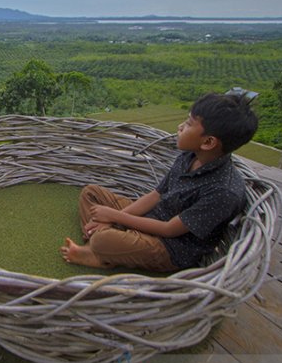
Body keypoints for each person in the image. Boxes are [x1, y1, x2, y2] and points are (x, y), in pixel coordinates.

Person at [59, 92, 259, 272]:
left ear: (208, 142)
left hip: (169, 247)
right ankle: (106, 238)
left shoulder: (223, 191)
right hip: (151, 217)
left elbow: (169, 230)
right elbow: (156, 195)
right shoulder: (189, 157)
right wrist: (114, 217)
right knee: (91, 193)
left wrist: (114, 216)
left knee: (104, 240)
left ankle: (98, 251)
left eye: (189, 124)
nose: (180, 126)